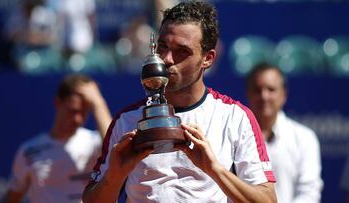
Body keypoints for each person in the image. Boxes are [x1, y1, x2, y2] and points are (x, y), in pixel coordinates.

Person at [83, 2, 277, 203]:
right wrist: (114, 176)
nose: (167, 59)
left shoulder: (235, 117)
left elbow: (268, 200)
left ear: (207, 59)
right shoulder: (127, 120)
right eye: (163, 46)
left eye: (182, 51)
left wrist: (214, 169)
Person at [2, 74, 112, 203]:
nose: (78, 119)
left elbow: (114, 148)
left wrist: (98, 102)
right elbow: (11, 198)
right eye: (73, 111)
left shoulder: (95, 142)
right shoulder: (29, 151)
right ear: (57, 103)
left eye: (84, 112)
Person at [245, 63, 323, 203]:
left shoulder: (305, 138)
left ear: (284, 94)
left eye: (271, 89)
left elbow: (309, 194)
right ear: (248, 94)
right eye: (257, 90)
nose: (264, 96)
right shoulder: (234, 135)